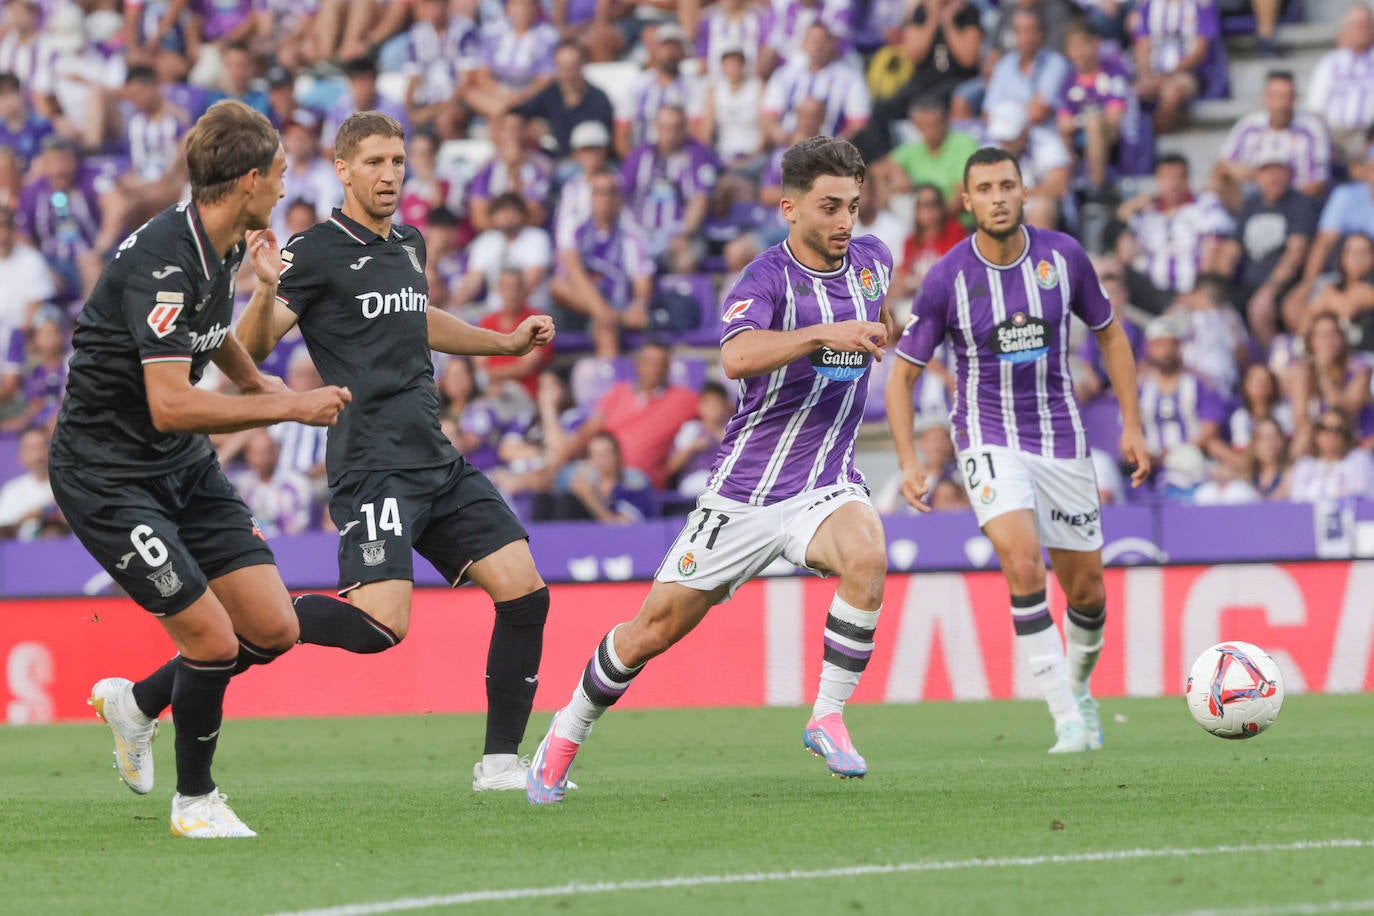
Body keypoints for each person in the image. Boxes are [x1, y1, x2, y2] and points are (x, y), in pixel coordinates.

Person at [526, 136, 895, 804]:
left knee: (868, 557)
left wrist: (876, 332)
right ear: (789, 208)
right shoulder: (763, 279)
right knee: (652, 631)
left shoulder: (873, 263)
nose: (845, 221)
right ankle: (564, 732)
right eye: (829, 207)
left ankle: (826, 715)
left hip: (826, 482)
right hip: (746, 493)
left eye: (853, 206)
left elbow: (879, 321)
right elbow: (736, 357)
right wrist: (821, 335)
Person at [234, 111, 557, 793]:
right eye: (375, 162)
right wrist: (265, 289)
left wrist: (500, 343)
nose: (389, 175)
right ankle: (206, 653)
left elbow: (417, 315)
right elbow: (253, 348)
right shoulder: (313, 250)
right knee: (382, 625)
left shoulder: (408, 242)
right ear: (343, 168)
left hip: (434, 457)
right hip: (373, 461)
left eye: (398, 162)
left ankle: (500, 763)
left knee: (524, 591)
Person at [60, 100, 352, 838]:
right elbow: (168, 403)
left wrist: (256, 381)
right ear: (250, 180)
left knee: (273, 628)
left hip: (178, 468)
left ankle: (134, 704)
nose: (286, 189)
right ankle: (194, 804)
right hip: (109, 477)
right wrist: (284, 410)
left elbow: (211, 330)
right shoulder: (163, 261)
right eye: (281, 175)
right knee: (215, 642)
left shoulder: (220, 242)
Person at [885, 146, 1151, 754]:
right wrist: (909, 461)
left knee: (1087, 593)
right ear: (967, 199)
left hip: (1062, 438)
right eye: (986, 188)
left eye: (1008, 185)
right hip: (987, 436)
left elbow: (1110, 335)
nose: (999, 197)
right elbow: (901, 376)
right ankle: (1066, 719)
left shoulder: (1063, 257)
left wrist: (1131, 424)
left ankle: (1079, 691)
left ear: (1025, 192)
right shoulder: (947, 277)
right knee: (1022, 562)